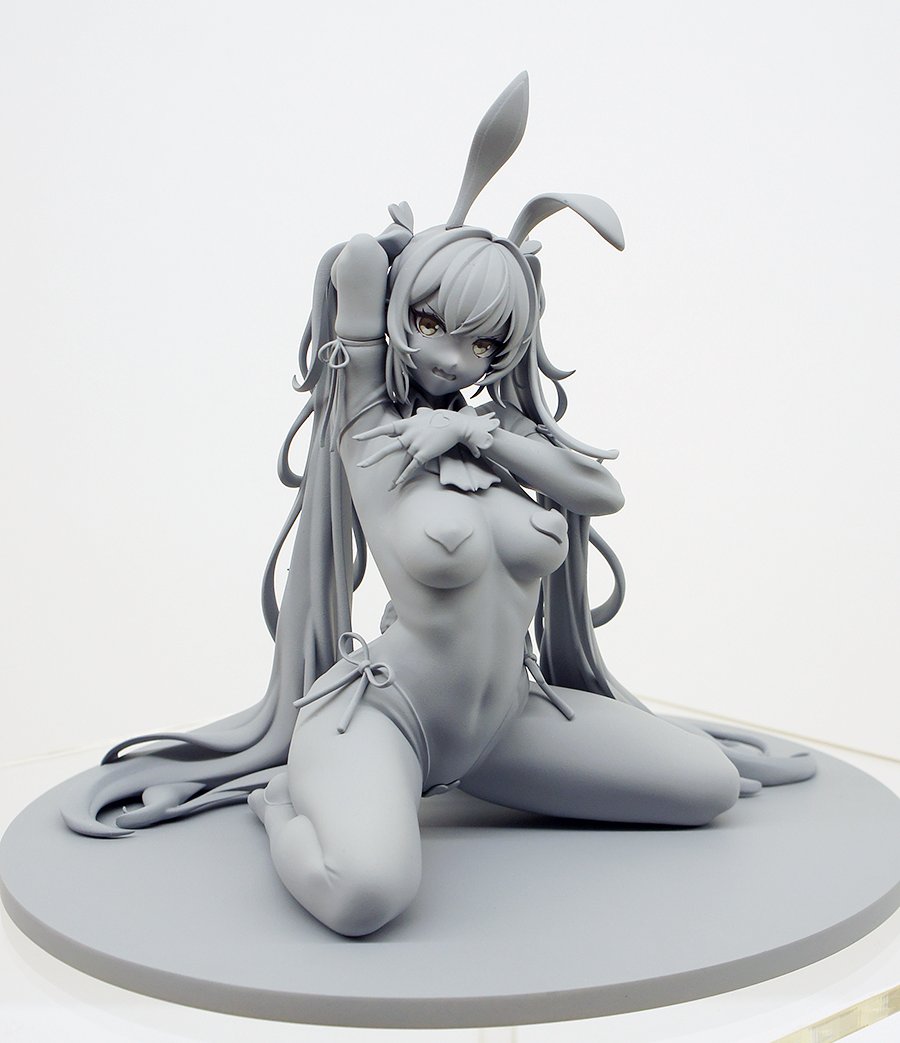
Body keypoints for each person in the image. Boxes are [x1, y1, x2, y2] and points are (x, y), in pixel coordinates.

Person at [61, 73, 814, 937]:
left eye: (484, 340)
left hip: (511, 723)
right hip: (386, 715)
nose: (454, 358)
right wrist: (409, 256)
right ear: (399, 314)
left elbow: (602, 491)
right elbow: (355, 267)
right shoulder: (371, 433)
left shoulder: (503, 435)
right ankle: (279, 803)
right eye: (429, 322)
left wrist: (475, 433)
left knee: (709, 787)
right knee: (364, 894)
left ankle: (440, 779)